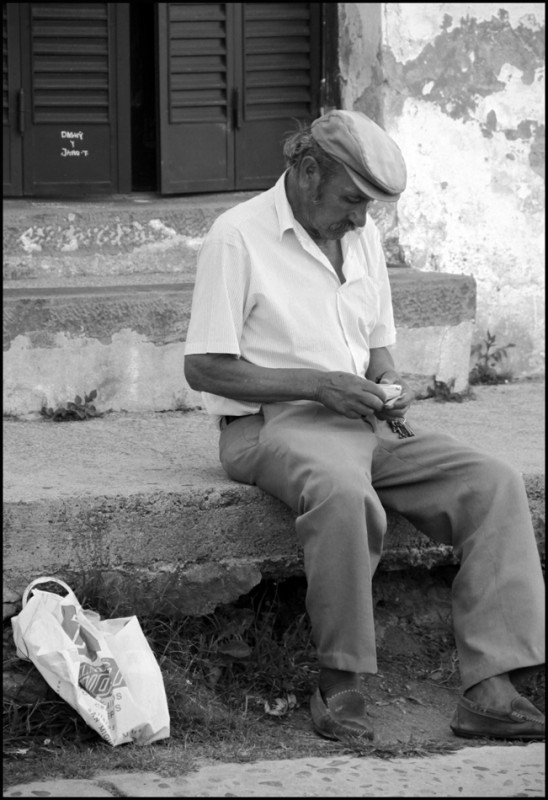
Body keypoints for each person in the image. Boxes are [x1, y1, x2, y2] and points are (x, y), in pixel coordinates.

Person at [184, 109, 545, 742]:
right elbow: (204, 368)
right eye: (353, 200)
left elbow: (377, 348)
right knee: (345, 494)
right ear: (306, 169)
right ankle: (339, 680)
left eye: (370, 207)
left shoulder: (361, 236)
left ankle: (491, 685)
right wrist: (317, 383)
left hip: (364, 423)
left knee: (494, 482)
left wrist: (387, 388)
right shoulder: (235, 236)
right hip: (271, 425)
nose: (360, 218)